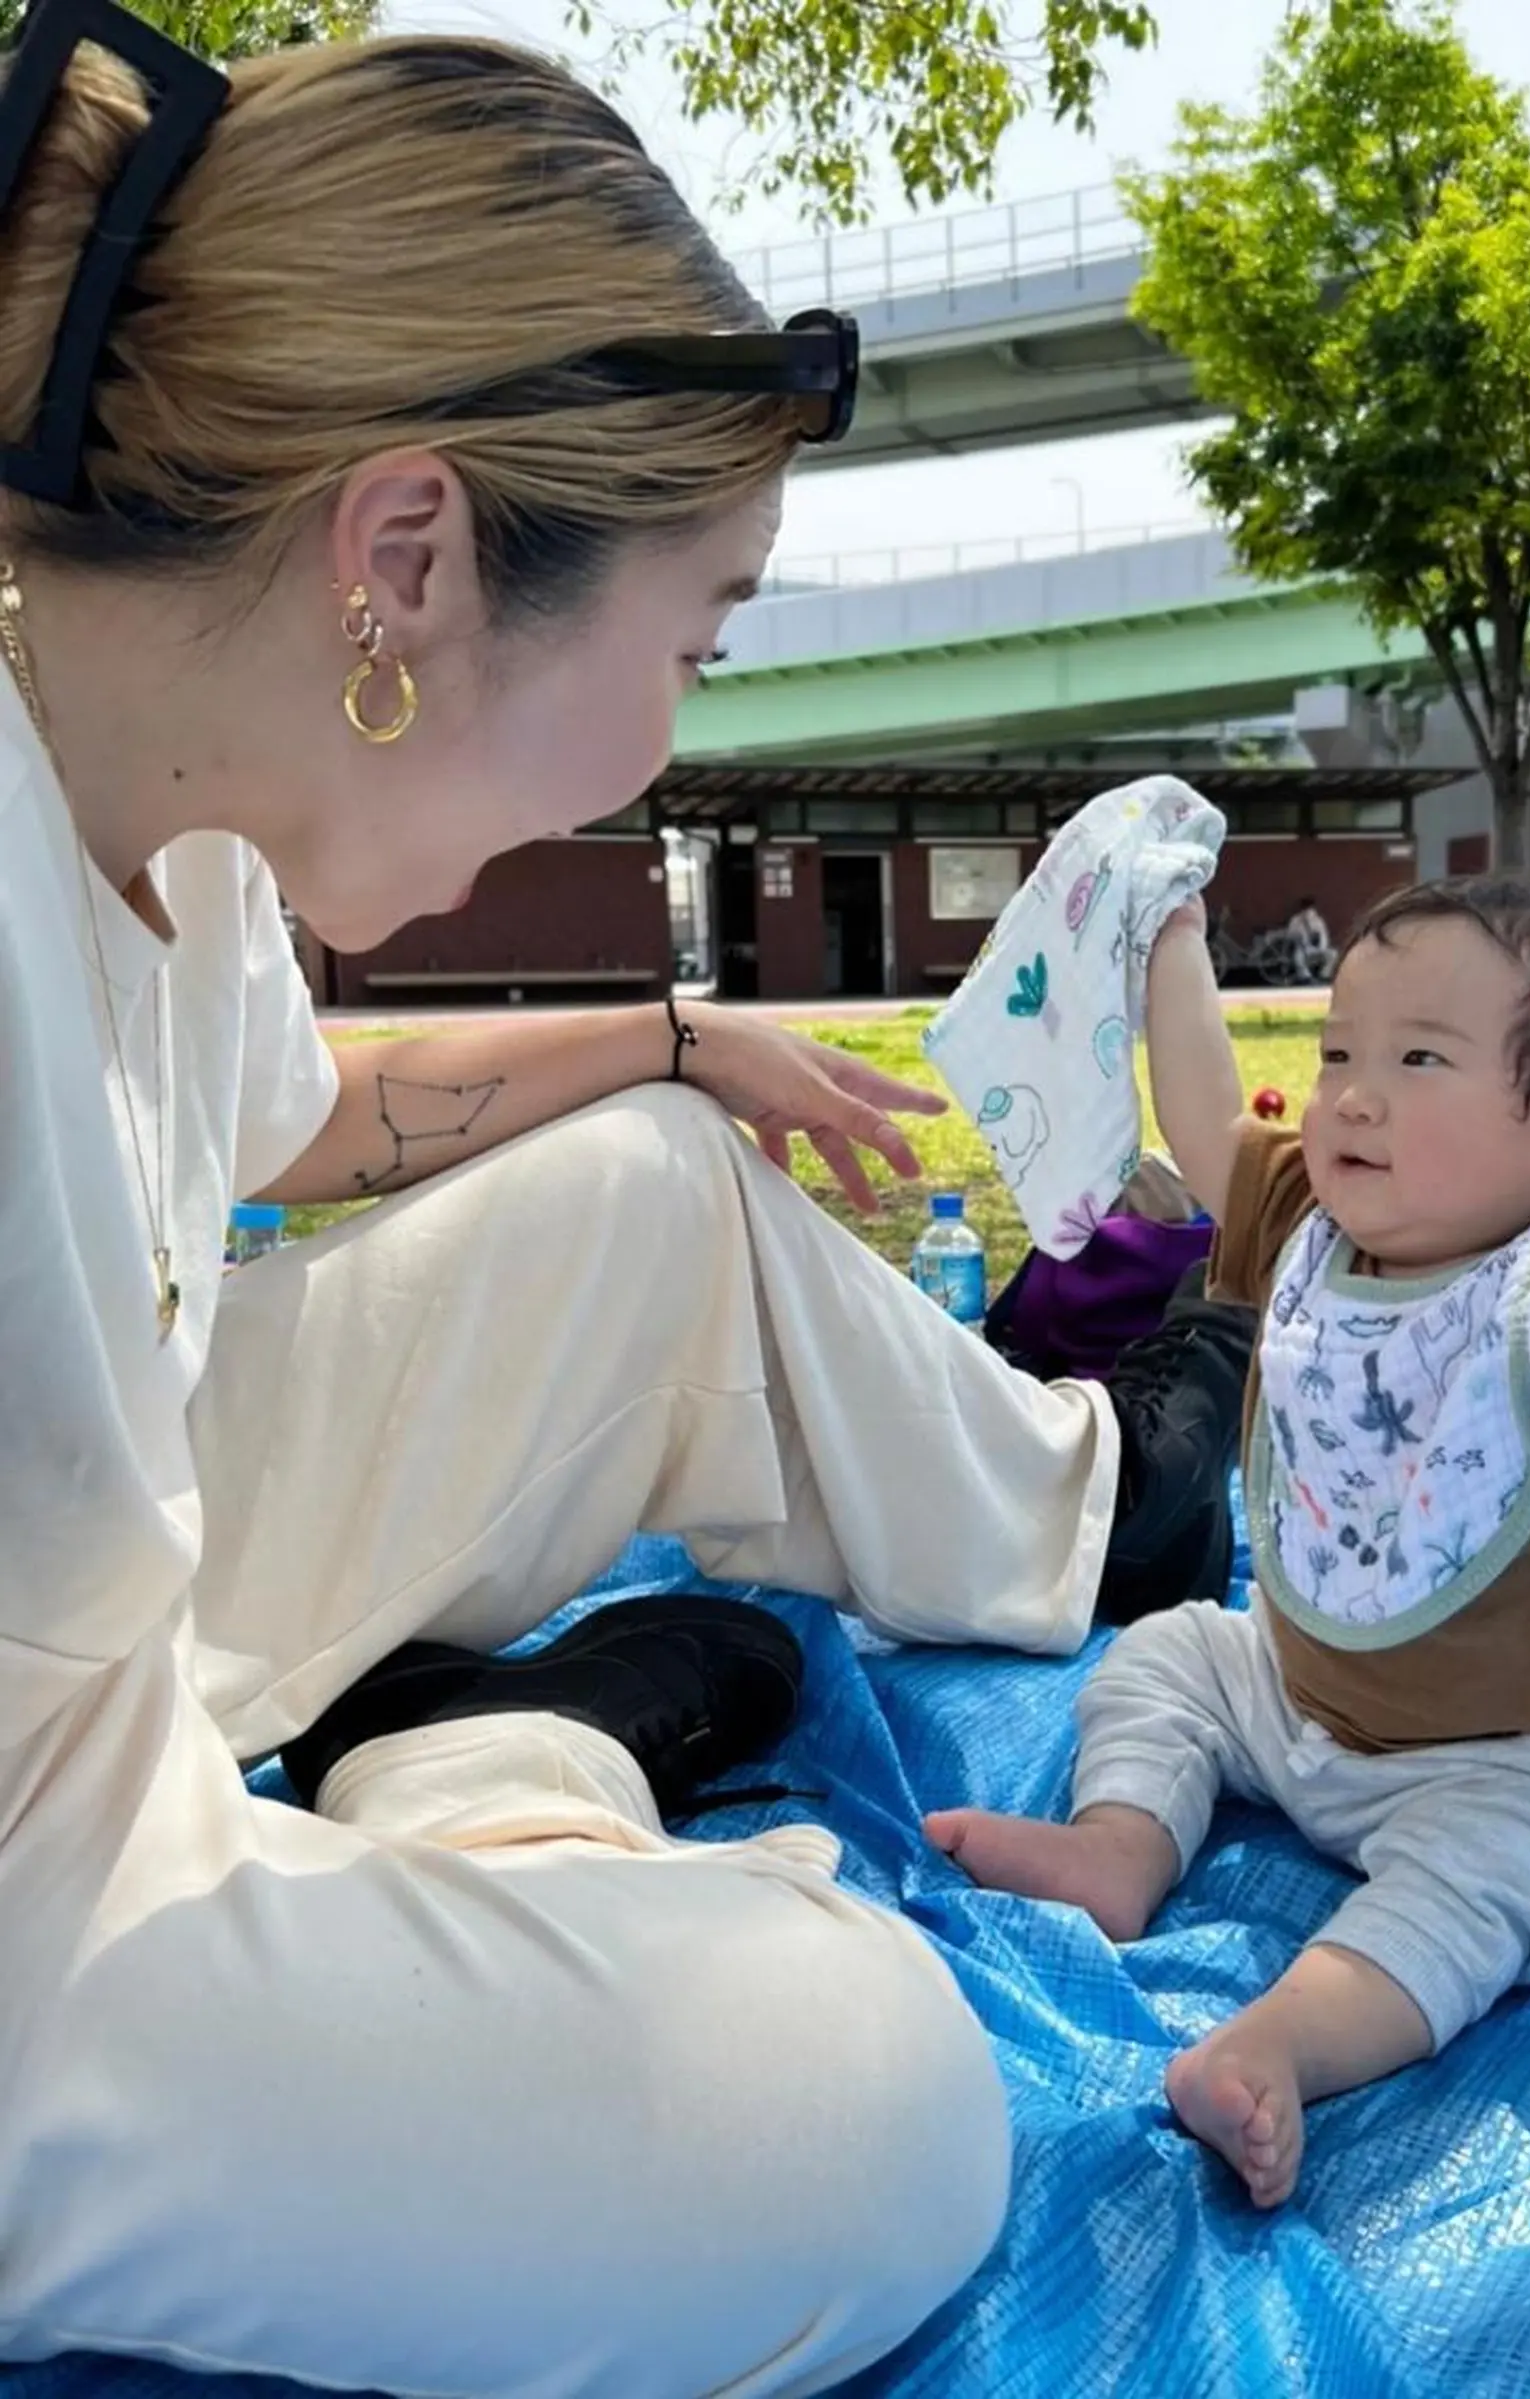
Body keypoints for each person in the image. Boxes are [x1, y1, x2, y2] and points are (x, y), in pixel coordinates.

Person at [0, 7, 1253, 2391]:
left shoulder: (166, 804)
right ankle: (501, 1767)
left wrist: (675, 1042)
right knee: (857, 2105)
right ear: (407, 556)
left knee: (658, 1191)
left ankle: (1085, 1506)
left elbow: (288, 1134)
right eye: (696, 632)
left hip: (99, 1602)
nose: (681, 716)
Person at [927, 871, 1530, 2208]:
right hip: (1292, 1698)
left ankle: (1281, 2037)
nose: (1353, 1090)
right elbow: (1201, 1111)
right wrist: (1176, 932)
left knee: (1502, 1883)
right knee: (1172, 1648)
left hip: (1515, 1757)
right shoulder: (1312, 1224)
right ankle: (1121, 1845)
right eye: (1339, 1049)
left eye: (1418, 1057)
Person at [1283, 894, 1333, 982]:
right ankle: (1305, 977)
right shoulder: (1295, 921)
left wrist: (1322, 948)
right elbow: (1290, 935)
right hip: (1304, 949)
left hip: (1318, 949)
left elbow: (1324, 935)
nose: (1309, 912)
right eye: (1306, 909)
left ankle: (1324, 975)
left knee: (1333, 954)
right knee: (1298, 957)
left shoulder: (1318, 920)